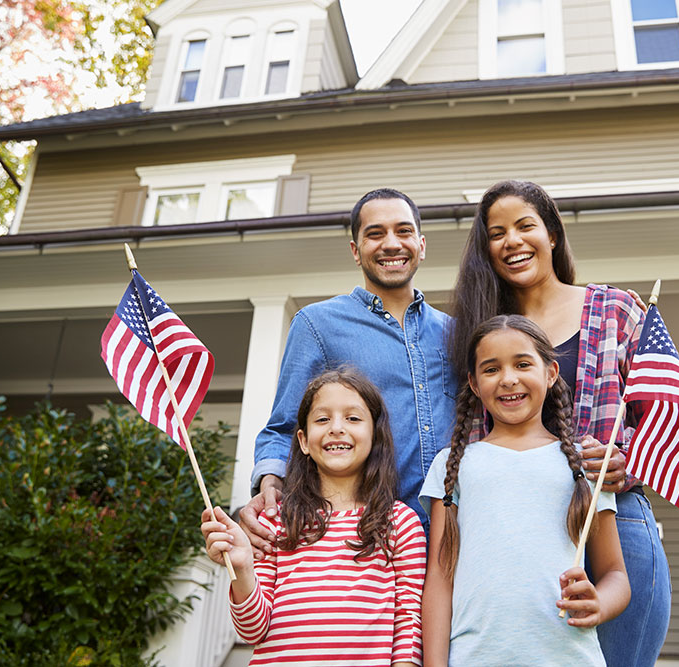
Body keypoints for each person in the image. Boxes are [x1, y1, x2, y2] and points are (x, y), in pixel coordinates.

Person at [445, 180, 671, 667]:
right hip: (514, 535)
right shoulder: (481, 328)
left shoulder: (616, 310)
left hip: (613, 520)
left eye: (525, 225)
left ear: (552, 233)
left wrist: (623, 457)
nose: (512, 240)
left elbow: (661, 418)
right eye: (496, 232)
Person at [239, 188, 455, 557]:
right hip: (367, 542)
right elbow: (284, 426)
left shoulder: (455, 333)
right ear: (356, 251)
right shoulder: (317, 325)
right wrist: (269, 483)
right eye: (375, 234)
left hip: (454, 538)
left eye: (403, 232)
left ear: (421, 244)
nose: (391, 244)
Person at [420, 315, 629, 665]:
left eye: (522, 364)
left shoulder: (584, 463)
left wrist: (599, 602)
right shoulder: (451, 465)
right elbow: (440, 582)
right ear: (473, 383)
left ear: (550, 373)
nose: (508, 379)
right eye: (491, 369)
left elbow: (616, 575)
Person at [201, 368, 427, 667]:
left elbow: (409, 626)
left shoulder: (401, 522)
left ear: (375, 436)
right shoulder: (275, 522)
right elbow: (252, 630)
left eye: (353, 418)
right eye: (322, 419)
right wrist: (242, 569)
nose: (336, 428)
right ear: (304, 441)